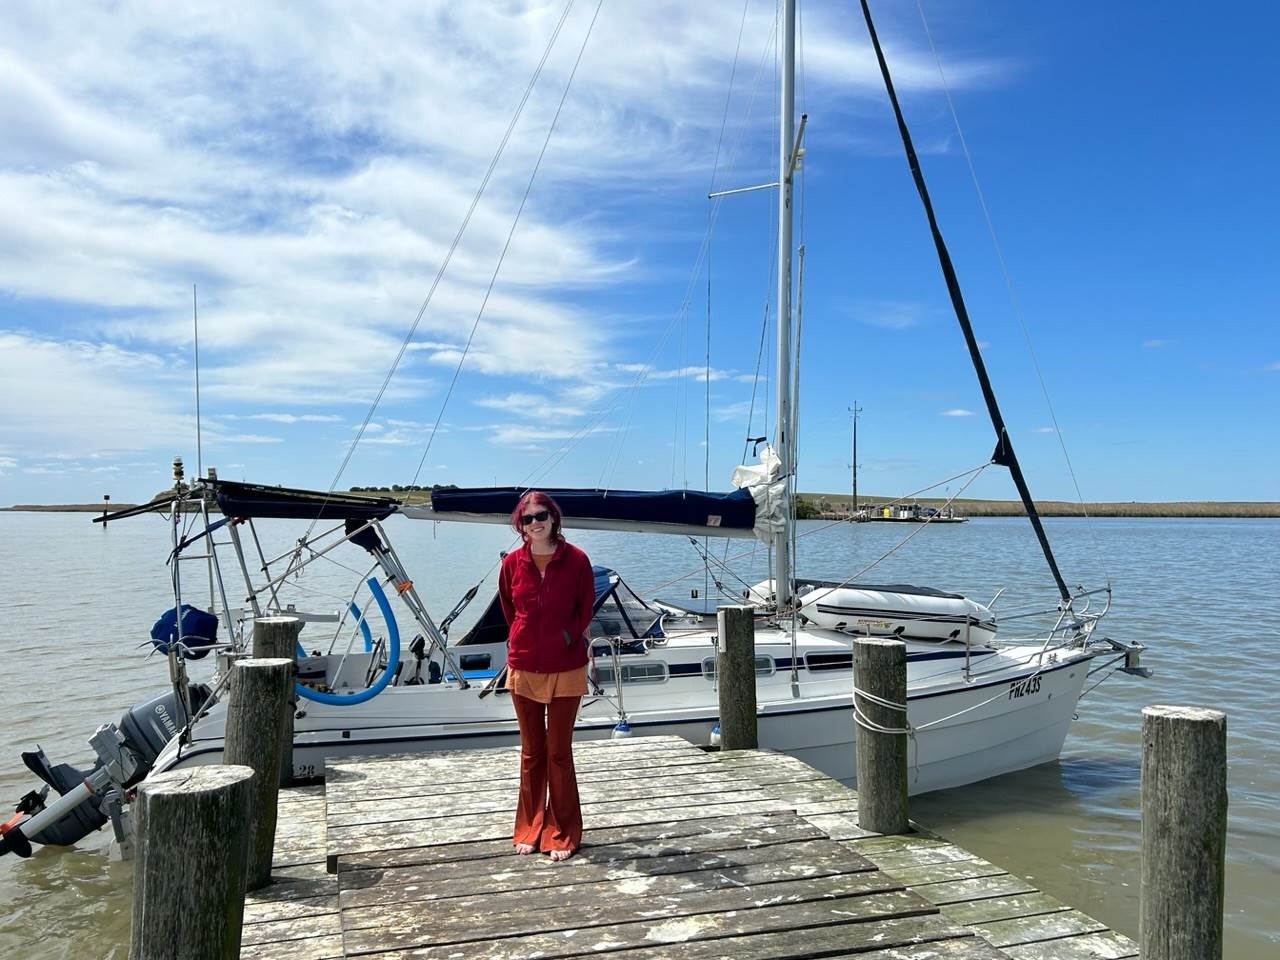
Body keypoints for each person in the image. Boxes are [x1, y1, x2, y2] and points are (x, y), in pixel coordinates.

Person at [498, 491, 595, 862]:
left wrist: (566, 636)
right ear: (520, 525)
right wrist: (523, 638)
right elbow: (509, 608)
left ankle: (562, 831)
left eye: (541, 515)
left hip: (567, 666)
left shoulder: (577, 560)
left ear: (554, 517)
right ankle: (530, 827)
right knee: (532, 752)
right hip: (524, 666)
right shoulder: (511, 564)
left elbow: (584, 608)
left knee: (558, 752)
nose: (535, 523)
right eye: (527, 519)